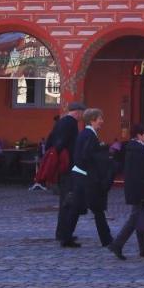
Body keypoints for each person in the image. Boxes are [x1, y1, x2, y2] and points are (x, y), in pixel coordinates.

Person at [61, 108, 113, 248]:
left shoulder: (86, 134)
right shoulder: (89, 135)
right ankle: (107, 239)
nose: (102, 121)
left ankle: (66, 237)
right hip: (85, 177)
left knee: (78, 207)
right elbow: (86, 156)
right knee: (96, 208)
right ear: (92, 120)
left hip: (80, 175)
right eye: (100, 119)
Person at [107, 124, 144, 261]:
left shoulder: (136, 148)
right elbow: (139, 173)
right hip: (139, 189)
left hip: (137, 188)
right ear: (139, 135)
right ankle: (117, 244)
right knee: (135, 218)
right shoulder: (138, 150)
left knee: (139, 217)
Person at [50, 102, 85, 247]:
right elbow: (62, 144)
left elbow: (51, 141)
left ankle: (61, 232)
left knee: (65, 200)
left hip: (62, 166)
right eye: (82, 112)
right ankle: (64, 234)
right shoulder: (70, 124)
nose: (83, 116)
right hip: (68, 166)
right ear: (77, 112)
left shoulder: (60, 122)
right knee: (68, 200)